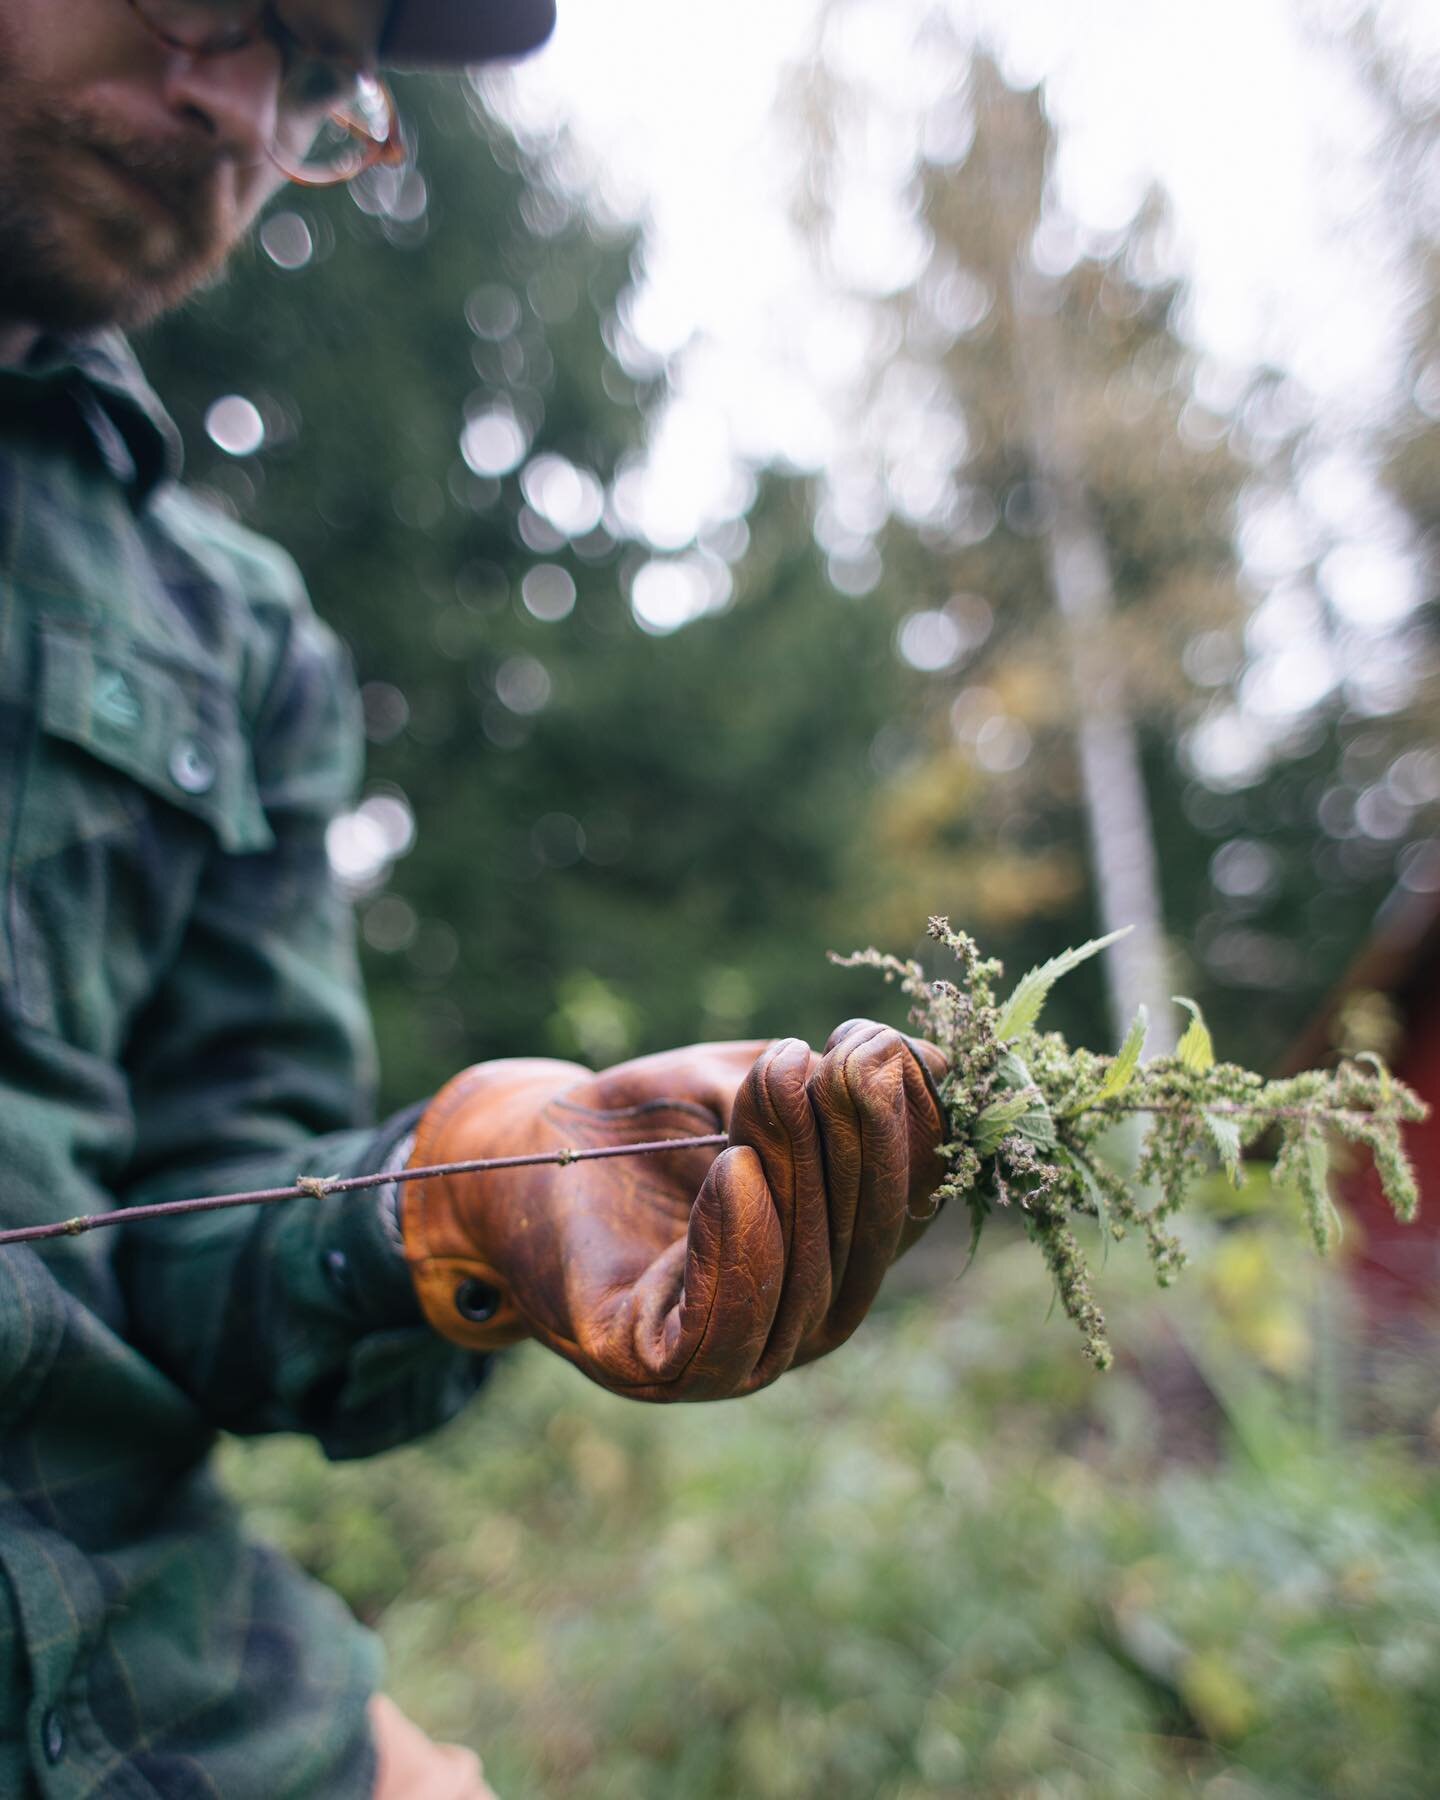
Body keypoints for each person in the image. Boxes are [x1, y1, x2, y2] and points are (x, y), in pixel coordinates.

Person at [0, 1, 950, 1793]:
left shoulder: (226, 629)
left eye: (310, 72)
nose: (235, 106)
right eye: (214, 2)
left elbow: (186, 1236)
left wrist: (461, 1189)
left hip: (181, 1706)